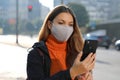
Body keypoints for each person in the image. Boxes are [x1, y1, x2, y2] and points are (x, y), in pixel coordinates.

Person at [26, 5, 96, 80]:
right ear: (49, 24)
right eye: (61, 23)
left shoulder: (77, 52)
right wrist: (72, 73)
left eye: (70, 24)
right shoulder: (36, 54)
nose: (66, 28)